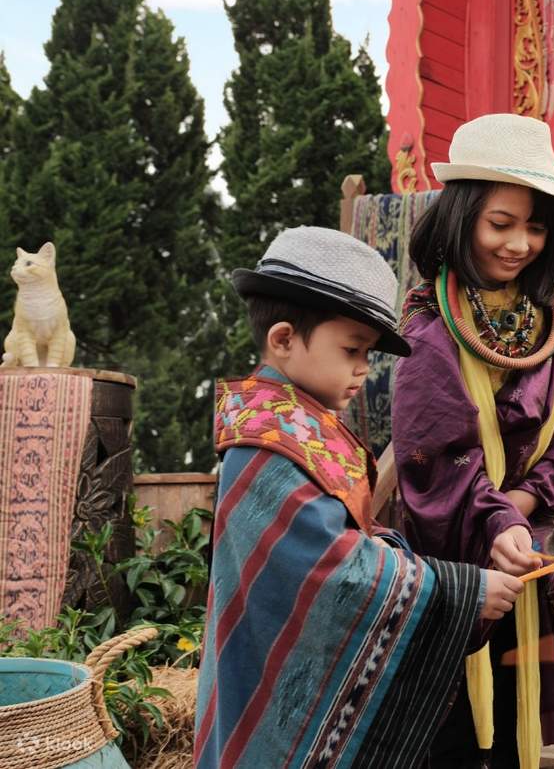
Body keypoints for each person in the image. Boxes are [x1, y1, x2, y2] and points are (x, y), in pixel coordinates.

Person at [195, 226, 522, 769]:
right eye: (352, 349)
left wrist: (402, 558)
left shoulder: (298, 428)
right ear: (282, 339)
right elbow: (332, 570)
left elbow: (347, 543)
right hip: (274, 712)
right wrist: (462, 589)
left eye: (368, 352)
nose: (363, 369)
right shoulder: (267, 447)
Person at [392, 113, 554, 769]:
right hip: (452, 560)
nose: (519, 243)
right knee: (447, 734)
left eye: (535, 225)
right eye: (500, 223)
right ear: (460, 218)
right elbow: (435, 462)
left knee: (514, 722)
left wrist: (529, 504)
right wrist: (494, 518)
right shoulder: (428, 328)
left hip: (532, 554)